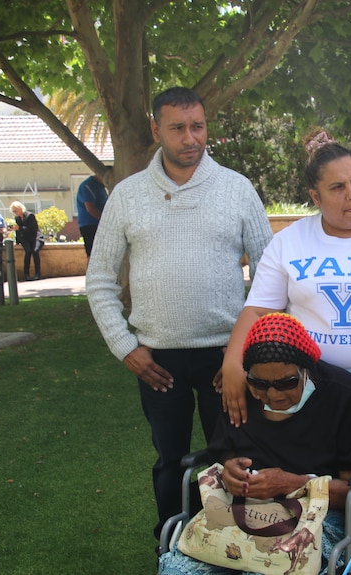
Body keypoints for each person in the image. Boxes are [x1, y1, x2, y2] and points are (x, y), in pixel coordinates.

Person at [85, 86, 273, 543]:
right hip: (157, 361)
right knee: (170, 460)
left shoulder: (236, 189)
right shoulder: (128, 195)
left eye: (198, 126)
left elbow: (271, 277)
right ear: (156, 130)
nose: (191, 138)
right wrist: (126, 348)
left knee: (234, 458)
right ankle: (171, 546)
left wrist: (241, 353)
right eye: (177, 128)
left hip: (225, 360)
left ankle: (234, 547)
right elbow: (99, 280)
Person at [220, 128, 351, 497]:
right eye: (337, 188)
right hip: (311, 396)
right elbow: (257, 311)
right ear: (315, 196)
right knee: (322, 488)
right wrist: (233, 365)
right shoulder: (290, 242)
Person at [159, 312, 351, 575]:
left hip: (316, 515)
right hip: (241, 510)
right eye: (259, 383)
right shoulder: (240, 393)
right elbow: (224, 458)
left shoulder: (340, 395)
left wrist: (293, 483)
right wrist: (231, 473)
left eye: (286, 382)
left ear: (306, 370)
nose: (272, 395)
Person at [9, 201, 45, 281]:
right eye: (13, 211)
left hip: (35, 237)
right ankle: (26, 274)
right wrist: (17, 241)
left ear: (20, 209)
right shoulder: (17, 218)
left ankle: (37, 274)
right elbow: (18, 231)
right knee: (28, 251)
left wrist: (20, 228)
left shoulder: (30, 216)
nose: (15, 213)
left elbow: (32, 229)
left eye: (16, 210)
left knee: (35, 251)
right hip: (25, 239)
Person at [76, 174, 108, 257]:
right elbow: (90, 208)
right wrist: (105, 221)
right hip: (90, 225)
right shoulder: (88, 186)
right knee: (93, 256)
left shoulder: (101, 187)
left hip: (100, 225)